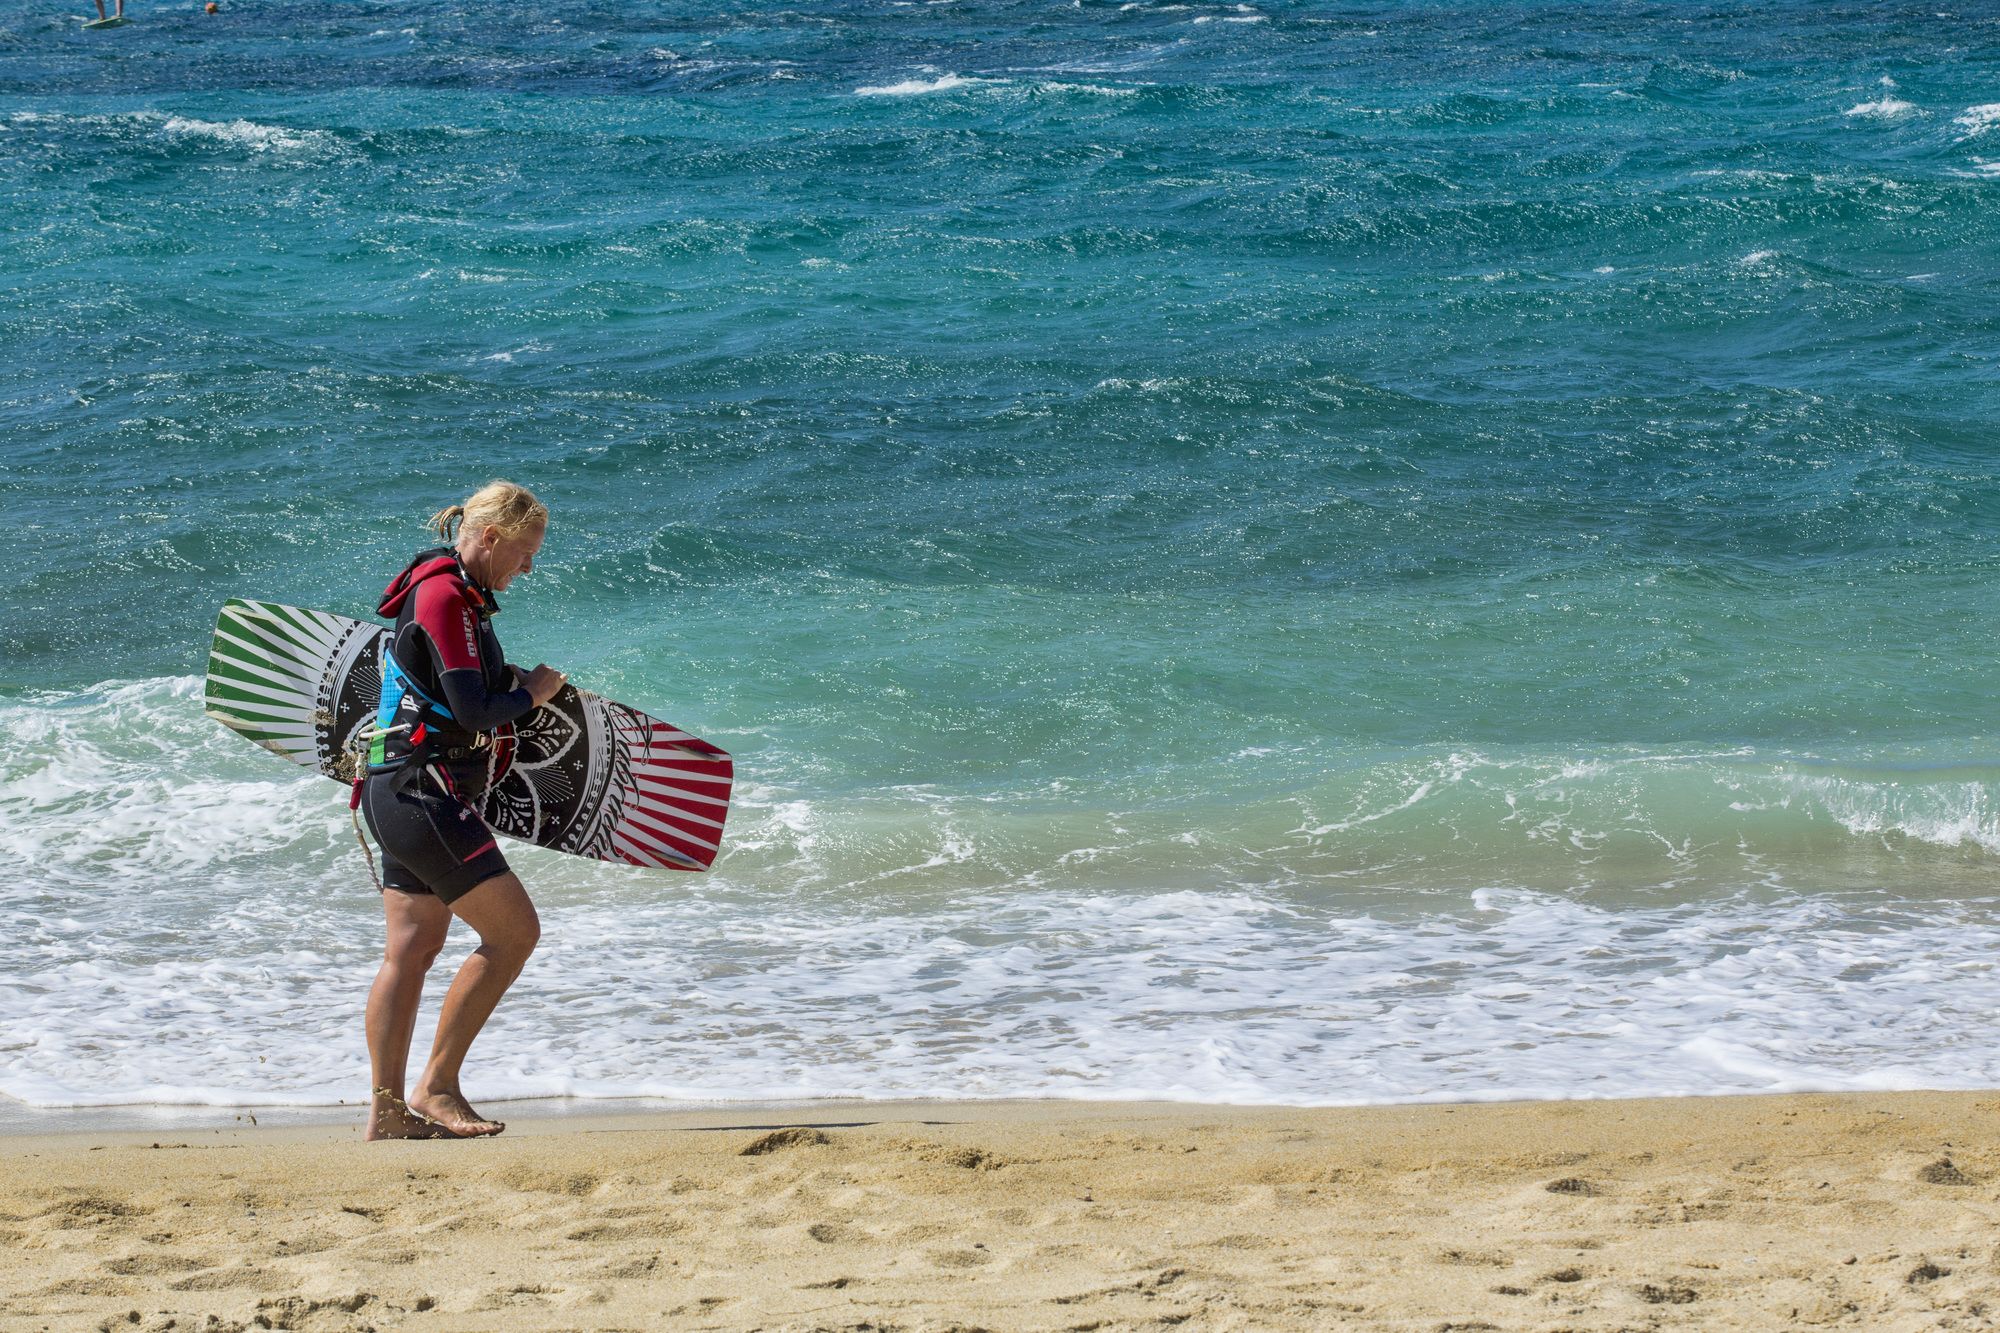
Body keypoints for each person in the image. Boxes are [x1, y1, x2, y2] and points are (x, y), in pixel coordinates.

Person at [358, 481, 566, 1140]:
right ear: (491, 537)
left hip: (397, 789)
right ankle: (436, 1087)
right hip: (424, 793)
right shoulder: (446, 596)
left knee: (412, 948)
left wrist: (507, 686)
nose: (528, 567)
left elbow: (455, 691)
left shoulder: (454, 594)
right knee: (515, 934)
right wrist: (532, 694)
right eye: (525, 552)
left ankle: (387, 1112)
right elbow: (473, 711)